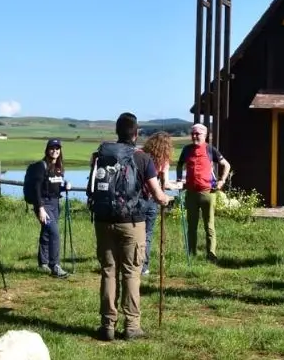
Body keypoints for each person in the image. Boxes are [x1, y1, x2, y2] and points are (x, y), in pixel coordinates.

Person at [92, 112, 171, 341]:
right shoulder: (142, 158)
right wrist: (166, 199)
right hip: (132, 222)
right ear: (135, 134)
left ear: (117, 132)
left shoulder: (101, 155)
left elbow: (93, 186)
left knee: (108, 271)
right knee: (131, 272)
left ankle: (107, 324)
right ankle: (132, 325)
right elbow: (157, 194)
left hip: (104, 220)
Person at [176, 123, 231, 262]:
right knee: (191, 226)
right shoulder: (187, 149)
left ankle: (211, 254)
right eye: (193, 133)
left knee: (209, 226)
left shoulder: (210, 149)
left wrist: (222, 181)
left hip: (208, 193)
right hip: (191, 193)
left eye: (198, 134)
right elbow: (179, 164)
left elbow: (226, 165)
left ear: (205, 135)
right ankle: (191, 254)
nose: (194, 136)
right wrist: (178, 180)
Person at [29, 139, 69, 278]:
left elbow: (55, 186)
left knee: (47, 233)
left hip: (55, 203)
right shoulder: (42, 166)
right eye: (52, 148)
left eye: (57, 148)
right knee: (54, 233)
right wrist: (40, 208)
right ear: (47, 150)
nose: (55, 151)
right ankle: (55, 266)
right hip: (43, 204)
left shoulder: (58, 167)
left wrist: (65, 187)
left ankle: (43, 262)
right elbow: (37, 188)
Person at [140, 131, 176, 276]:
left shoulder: (141, 155)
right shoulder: (164, 161)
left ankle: (132, 264)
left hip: (139, 197)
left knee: (136, 234)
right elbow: (165, 183)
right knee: (147, 234)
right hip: (152, 199)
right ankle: (144, 267)